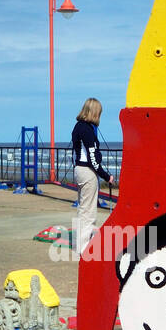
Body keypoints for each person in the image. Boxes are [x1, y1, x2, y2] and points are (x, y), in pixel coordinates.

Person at [71, 98, 111, 250]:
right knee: (89, 212)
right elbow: (92, 158)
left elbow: (77, 152)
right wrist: (106, 176)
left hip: (78, 170)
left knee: (83, 209)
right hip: (87, 172)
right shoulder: (87, 129)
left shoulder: (77, 127)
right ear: (94, 113)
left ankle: (81, 244)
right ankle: (84, 247)